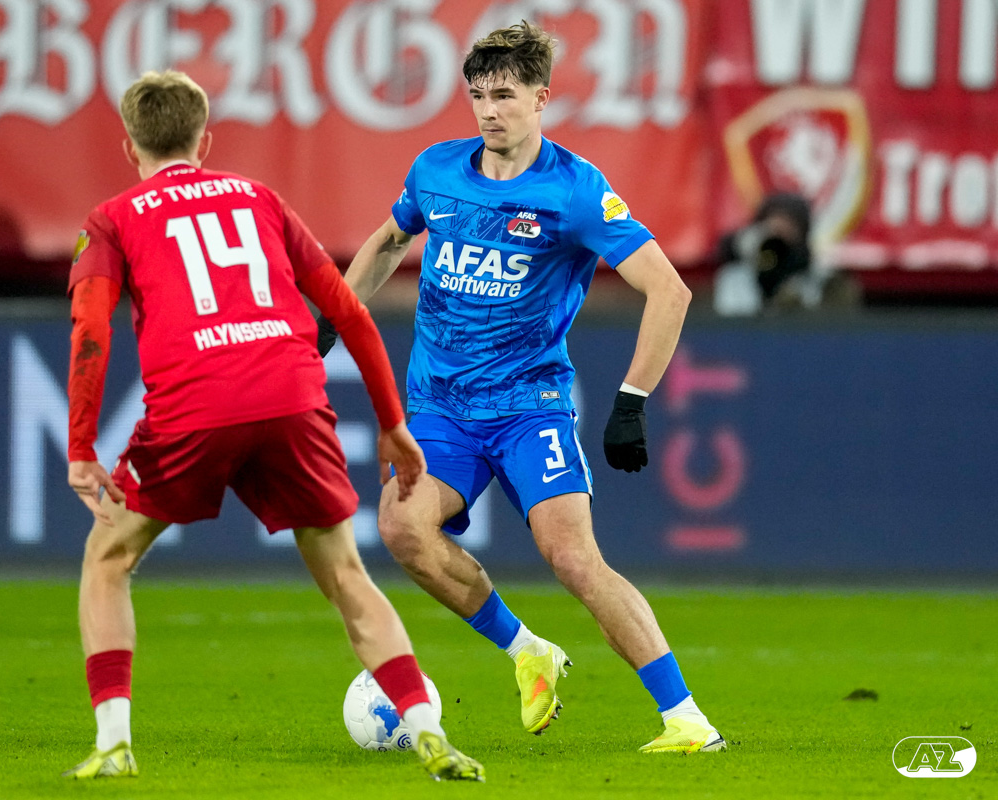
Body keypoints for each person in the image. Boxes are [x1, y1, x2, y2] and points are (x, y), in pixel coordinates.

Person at [63, 70, 483, 782]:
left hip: (194, 402)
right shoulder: (259, 199)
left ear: (130, 147)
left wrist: (81, 447)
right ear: (205, 140)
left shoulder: (113, 218)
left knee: (108, 559)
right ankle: (427, 730)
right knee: (346, 575)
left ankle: (114, 743)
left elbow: (91, 331)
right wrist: (392, 422)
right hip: (291, 395)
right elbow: (348, 311)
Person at [317, 21, 724, 754]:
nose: (488, 110)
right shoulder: (436, 171)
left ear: (540, 98)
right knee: (403, 528)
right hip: (441, 407)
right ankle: (527, 650)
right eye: (478, 95)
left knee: (573, 559)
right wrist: (337, 314)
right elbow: (389, 238)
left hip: (528, 408)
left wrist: (632, 401)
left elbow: (670, 290)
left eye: (504, 95)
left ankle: (687, 720)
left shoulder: (574, 190)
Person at [712, 192, 858, 316]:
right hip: (744, 331)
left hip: (796, 333)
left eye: (789, 225)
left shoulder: (814, 276)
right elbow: (727, 248)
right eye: (775, 222)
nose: (781, 231)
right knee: (734, 275)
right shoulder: (739, 272)